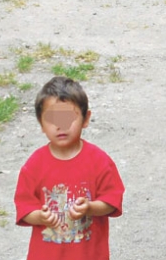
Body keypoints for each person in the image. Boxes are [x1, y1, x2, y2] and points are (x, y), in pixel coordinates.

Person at [15, 76, 125, 260]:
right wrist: (40, 217)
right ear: (41, 124)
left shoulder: (99, 161)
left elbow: (112, 201)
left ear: (85, 119)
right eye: (52, 119)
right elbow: (24, 208)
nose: (61, 126)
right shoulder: (34, 165)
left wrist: (90, 207)